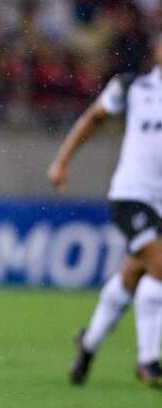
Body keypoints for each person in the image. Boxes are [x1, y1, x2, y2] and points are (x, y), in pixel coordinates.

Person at [48, 36, 162, 389]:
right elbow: (93, 118)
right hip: (132, 194)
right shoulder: (132, 86)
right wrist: (62, 161)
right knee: (159, 266)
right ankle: (148, 362)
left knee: (133, 274)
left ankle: (88, 345)